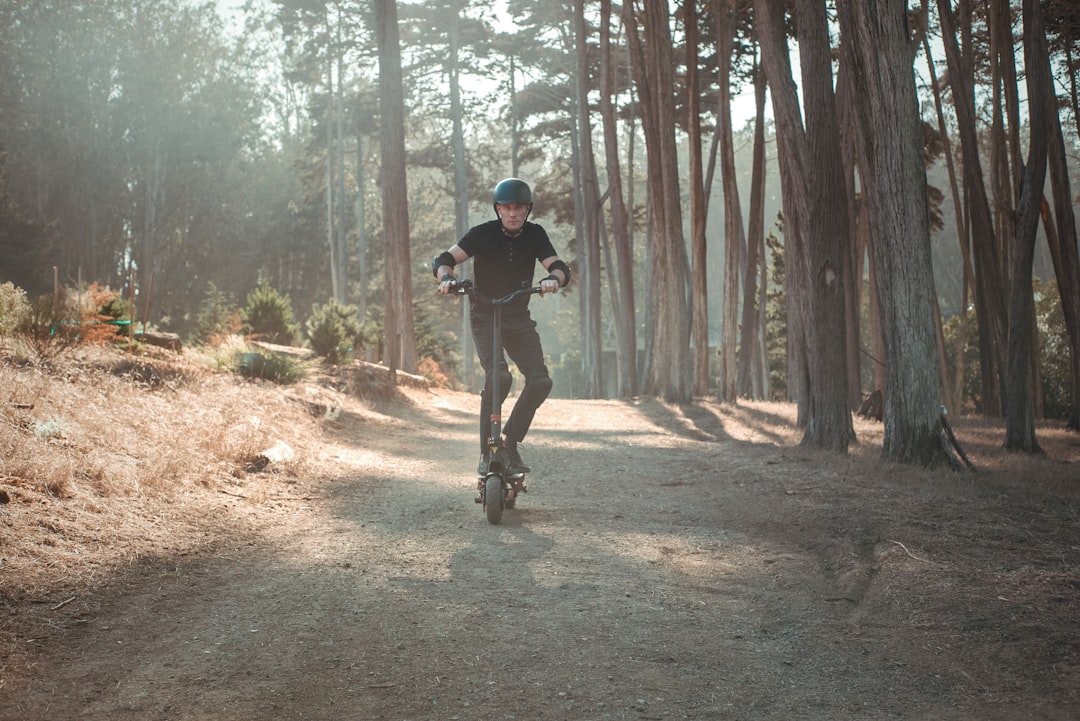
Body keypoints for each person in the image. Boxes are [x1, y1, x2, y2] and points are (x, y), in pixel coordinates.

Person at [433, 177, 571, 478]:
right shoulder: (481, 234)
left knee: (540, 381)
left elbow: (560, 268)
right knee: (500, 377)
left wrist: (553, 280)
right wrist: (446, 278)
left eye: (519, 207)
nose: (512, 213)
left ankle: (509, 444)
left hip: (518, 317)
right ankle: (487, 452)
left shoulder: (535, 235)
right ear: (497, 209)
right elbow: (444, 259)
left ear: (528, 209)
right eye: (506, 207)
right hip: (485, 314)